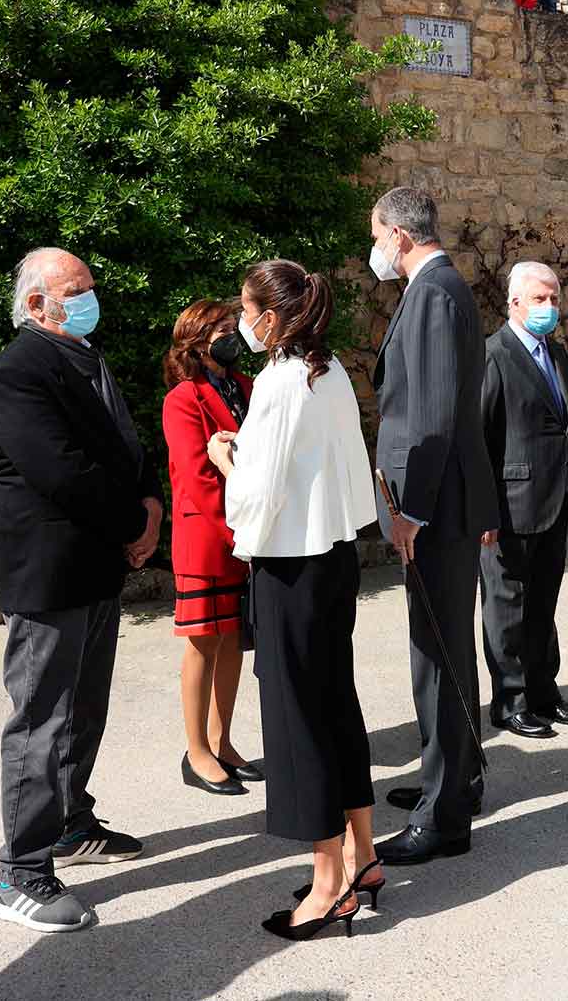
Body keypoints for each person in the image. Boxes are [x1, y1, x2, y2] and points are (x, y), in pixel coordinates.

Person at [0, 248, 162, 933]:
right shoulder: (18, 369)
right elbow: (61, 470)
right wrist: (132, 522)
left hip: (96, 569)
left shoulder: (86, 356)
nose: (88, 297)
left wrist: (151, 501)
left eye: (88, 286)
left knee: (82, 711)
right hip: (49, 574)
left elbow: (125, 448)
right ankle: (19, 871)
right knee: (41, 720)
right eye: (74, 289)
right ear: (35, 304)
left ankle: (68, 823)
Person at [206, 261, 379, 941]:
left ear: (270, 318)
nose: (241, 320)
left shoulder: (281, 382)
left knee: (297, 717)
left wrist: (227, 461)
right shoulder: (327, 368)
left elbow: (261, 488)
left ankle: (329, 881)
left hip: (291, 565)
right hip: (333, 554)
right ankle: (363, 855)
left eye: (246, 308)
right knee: (336, 701)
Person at [368, 186, 499, 863]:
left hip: (434, 508)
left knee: (437, 657)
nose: (375, 250)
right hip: (438, 504)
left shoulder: (435, 291)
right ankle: (452, 777)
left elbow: (435, 411)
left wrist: (410, 510)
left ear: (396, 233)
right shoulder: (434, 289)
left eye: (376, 235)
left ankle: (444, 812)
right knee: (445, 651)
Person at [479, 262, 568, 737]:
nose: (549, 308)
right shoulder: (493, 355)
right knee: (507, 608)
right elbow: (479, 437)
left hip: (554, 499)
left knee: (544, 602)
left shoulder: (556, 354)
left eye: (555, 299)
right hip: (509, 505)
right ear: (514, 303)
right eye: (539, 299)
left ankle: (544, 689)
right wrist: (482, 507)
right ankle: (511, 699)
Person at [161, 300, 262, 795]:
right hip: (208, 535)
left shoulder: (244, 387)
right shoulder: (183, 398)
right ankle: (196, 751)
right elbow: (195, 477)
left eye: (232, 325)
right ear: (198, 342)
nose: (232, 334)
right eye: (221, 328)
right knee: (203, 642)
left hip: (245, 533)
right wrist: (237, 533)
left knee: (232, 642)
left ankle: (222, 741)